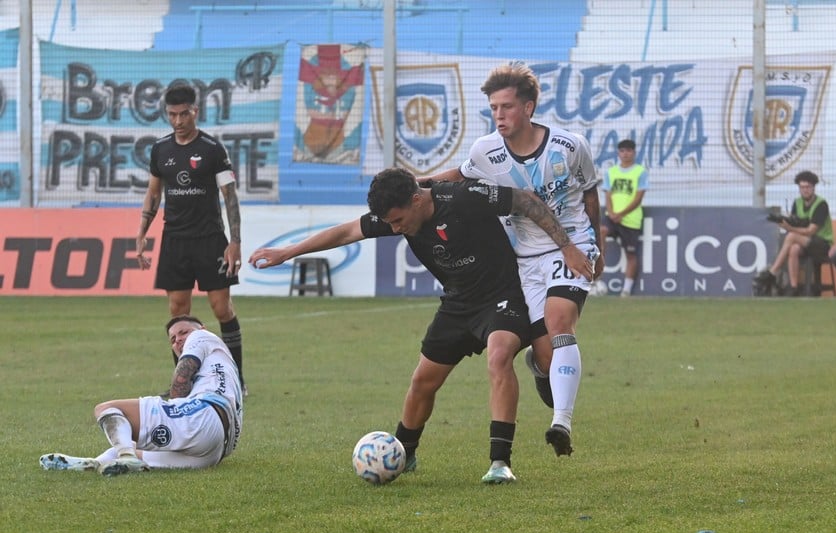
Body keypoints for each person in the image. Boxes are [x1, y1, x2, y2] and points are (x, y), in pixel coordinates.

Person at [249, 167, 591, 484]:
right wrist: (287, 252)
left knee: (499, 356)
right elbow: (348, 231)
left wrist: (568, 247)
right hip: (457, 305)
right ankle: (403, 453)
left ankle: (500, 462)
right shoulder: (398, 213)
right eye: (390, 223)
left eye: (398, 221)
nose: (395, 229)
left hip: (503, 297)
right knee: (423, 380)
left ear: (417, 200)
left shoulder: (463, 197)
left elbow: (525, 200)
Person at [421, 62, 602, 458]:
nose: (499, 115)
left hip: (571, 246)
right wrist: (418, 182)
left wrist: (594, 246)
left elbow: (590, 195)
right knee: (545, 352)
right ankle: (541, 369)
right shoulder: (485, 151)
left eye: (506, 106)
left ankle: (562, 424)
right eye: (493, 108)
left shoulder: (569, 146)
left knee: (559, 321)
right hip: (524, 260)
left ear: (529, 108)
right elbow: (462, 175)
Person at [134, 84, 247, 395]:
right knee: (177, 310)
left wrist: (234, 240)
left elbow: (230, 196)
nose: (178, 120)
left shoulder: (212, 149)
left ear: (195, 111)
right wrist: (142, 232)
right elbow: (153, 193)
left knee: (221, 308)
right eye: (172, 114)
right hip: (175, 239)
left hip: (211, 238)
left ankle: (236, 378)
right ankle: (183, 383)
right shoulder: (161, 150)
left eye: (184, 114)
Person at [40, 315, 243, 476]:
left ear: (202, 329)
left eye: (183, 332)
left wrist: (176, 406)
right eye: (173, 339)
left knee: (107, 409)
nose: (178, 340)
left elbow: (183, 374)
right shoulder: (225, 365)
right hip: (214, 452)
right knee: (128, 447)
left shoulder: (202, 336)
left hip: (203, 418)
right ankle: (94, 463)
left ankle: (127, 457)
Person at [754, 170, 834, 296]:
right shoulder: (797, 203)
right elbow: (794, 222)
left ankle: (773, 272)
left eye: (808, 187)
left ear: (814, 187)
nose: (805, 190)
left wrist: (789, 228)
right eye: (802, 187)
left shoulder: (821, 204)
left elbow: (810, 231)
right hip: (805, 244)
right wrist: (783, 221)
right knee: (794, 249)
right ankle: (793, 287)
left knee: (791, 236)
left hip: (822, 245)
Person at [601, 139, 648, 297]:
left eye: (629, 151)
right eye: (622, 151)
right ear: (618, 153)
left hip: (630, 220)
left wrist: (621, 214)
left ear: (634, 153)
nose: (625, 154)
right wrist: (612, 212)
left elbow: (638, 198)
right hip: (612, 216)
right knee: (601, 231)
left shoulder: (640, 172)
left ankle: (626, 290)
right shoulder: (611, 172)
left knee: (631, 254)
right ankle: (596, 278)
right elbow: (607, 195)